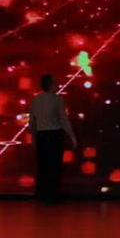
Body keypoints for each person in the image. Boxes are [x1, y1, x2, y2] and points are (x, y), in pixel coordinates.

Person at [29, 74, 77, 202]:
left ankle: (41, 195)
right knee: (54, 166)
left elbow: (32, 122)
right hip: (54, 135)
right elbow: (63, 119)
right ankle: (52, 195)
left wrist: (33, 137)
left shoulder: (36, 100)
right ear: (51, 84)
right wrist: (72, 136)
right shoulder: (57, 99)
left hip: (41, 135)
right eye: (55, 82)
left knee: (42, 166)